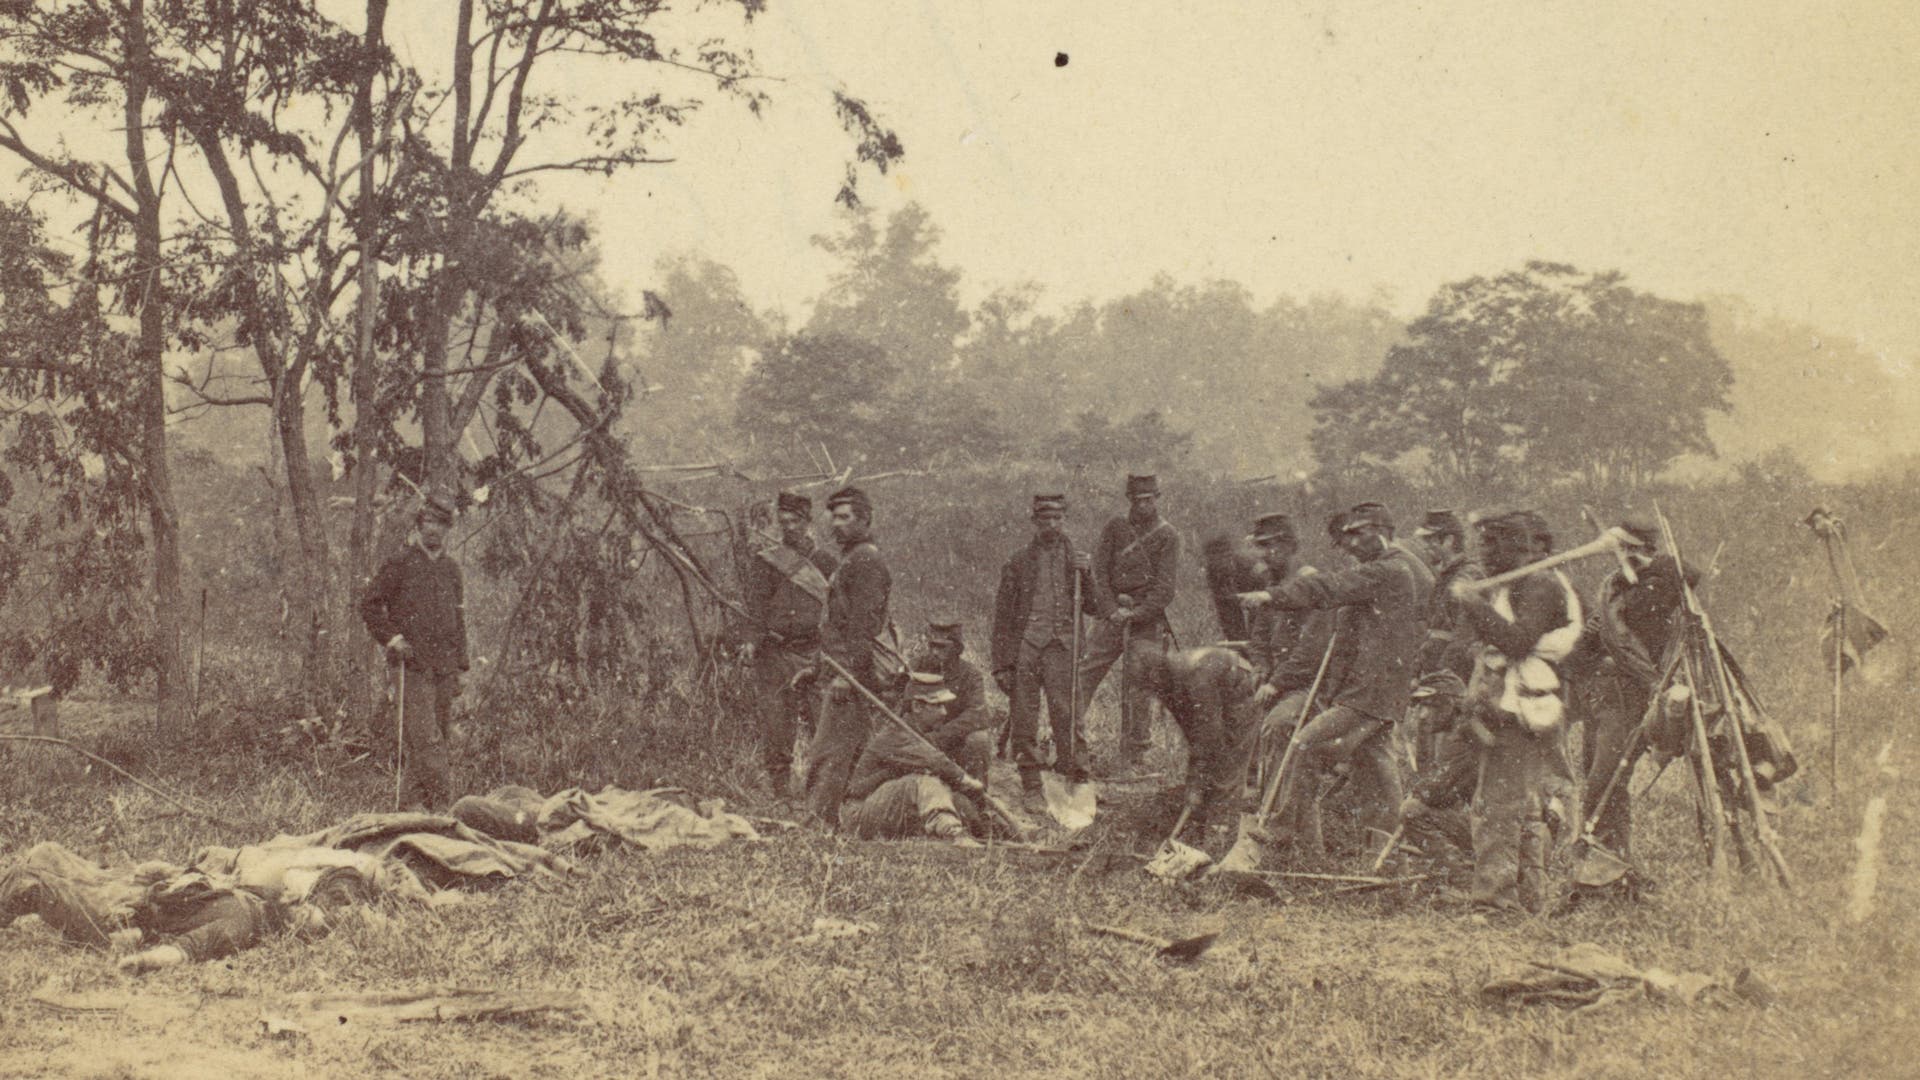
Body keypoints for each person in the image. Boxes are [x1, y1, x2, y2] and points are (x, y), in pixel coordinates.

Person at [1239, 502, 1430, 857]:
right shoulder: (1380, 571)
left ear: (1384, 532)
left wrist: (1271, 596)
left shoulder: (1389, 571)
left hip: (1369, 692)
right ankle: (1389, 858)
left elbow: (1328, 587)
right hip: (1372, 691)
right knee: (1378, 774)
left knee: (1303, 743)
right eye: (1348, 536)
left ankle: (1280, 829)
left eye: (1360, 533)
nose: (1351, 543)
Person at [1450, 510, 1584, 916]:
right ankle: (1529, 898)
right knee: (1521, 808)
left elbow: (1518, 642)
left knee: (1500, 808)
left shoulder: (1541, 584)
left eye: (1493, 544)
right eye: (1481, 544)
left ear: (1519, 546)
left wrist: (1475, 605)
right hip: (1510, 703)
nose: (1484, 554)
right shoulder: (1516, 584)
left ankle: (1495, 902)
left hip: (1525, 707)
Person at [1569, 518, 1697, 869]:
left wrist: (1639, 560)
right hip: (1601, 695)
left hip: (1629, 698)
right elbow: (1581, 652)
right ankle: (1616, 864)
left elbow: (1686, 572)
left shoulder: (1658, 586)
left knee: (1604, 783)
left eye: (1622, 549)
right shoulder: (1616, 589)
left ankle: (1604, 866)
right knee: (1600, 782)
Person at [359, 491, 468, 810]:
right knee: (427, 741)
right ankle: (444, 810)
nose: (434, 530)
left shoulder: (451, 570)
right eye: (429, 522)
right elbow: (368, 605)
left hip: (444, 668)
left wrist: (461, 666)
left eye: (441, 525)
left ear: (449, 530)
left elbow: (458, 618)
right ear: (419, 525)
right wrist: (393, 639)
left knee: (438, 740)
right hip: (411, 667)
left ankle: (409, 809)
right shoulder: (401, 563)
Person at [990, 494, 1096, 807]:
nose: (1051, 525)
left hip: (1063, 647)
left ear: (1064, 519)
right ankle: (1032, 783)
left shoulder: (1077, 560)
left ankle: (1074, 776)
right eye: (1045, 519)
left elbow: (1095, 606)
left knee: (1068, 713)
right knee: (1024, 715)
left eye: (1057, 518)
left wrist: (1087, 575)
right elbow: (1003, 618)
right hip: (1027, 647)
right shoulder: (1018, 561)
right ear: (1035, 522)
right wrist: (1001, 663)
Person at [1077, 474, 1181, 774]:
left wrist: (1135, 615)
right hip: (1111, 615)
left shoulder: (1168, 536)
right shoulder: (1115, 527)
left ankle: (1134, 756)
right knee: (1085, 673)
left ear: (1157, 498)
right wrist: (1110, 610)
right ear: (1130, 500)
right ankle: (1068, 741)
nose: (1144, 505)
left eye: (1149, 499)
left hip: (1146, 620)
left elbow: (1165, 589)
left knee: (1140, 685)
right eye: (1138, 499)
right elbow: (1099, 571)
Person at [805, 486, 895, 827]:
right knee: (849, 748)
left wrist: (847, 675)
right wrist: (817, 669)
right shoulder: (852, 559)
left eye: (845, 517)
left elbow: (863, 628)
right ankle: (848, 817)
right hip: (841, 669)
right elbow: (834, 626)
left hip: (852, 673)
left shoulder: (866, 560)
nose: (835, 525)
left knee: (829, 750)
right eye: (833, 517)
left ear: (865, 520)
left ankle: (819, 820)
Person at [741, 491, 838, 791]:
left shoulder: (825, 562)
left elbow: (838, 611)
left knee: (822, 724)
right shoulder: (768, 562)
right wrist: (750, 642)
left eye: (795, 521)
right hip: (775, 652)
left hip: (814, 653)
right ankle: (781, 790)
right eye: (783, 523)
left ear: (808, 522)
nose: (789, 528)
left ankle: (820, 790)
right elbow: (755, 607)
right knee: (776, 724)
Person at [1243, 513, 1340, 793]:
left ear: (1286, 546)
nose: (1262, 555)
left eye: (1268, 547)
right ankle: (1248, 794)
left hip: (1309, 687)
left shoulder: (1313, 584)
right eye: (1259, 547)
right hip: (1277, 682)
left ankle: (1278, 804)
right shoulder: (1272, 587)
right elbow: (1258, 636)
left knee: (1278, 725)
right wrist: (1260, 667)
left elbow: (1311, 652)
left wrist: (1275, 684)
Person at [1127, 641, 1260, 844]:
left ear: (1155, 676)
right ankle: (1198, 824)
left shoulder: (1197, 678)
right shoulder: (1167, 683)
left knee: (1228, 766)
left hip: (1240, 690)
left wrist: (1197, 781)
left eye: (1149, 687)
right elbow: (1192, 733)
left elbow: (1210, 735)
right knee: (1206, 765)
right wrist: (1194, 779)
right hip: (1217, 690)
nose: (1151, 694)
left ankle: (1220, 836)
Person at [840, 673, 989, 842]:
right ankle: (953, 834)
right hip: (859, 815)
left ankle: (991, 832)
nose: (944, 712)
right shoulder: (896, 735)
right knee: (924, 782)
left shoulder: (920, 735)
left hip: (887, 810)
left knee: (958, 799)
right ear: (917, 706)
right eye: (938, 705)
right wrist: (966, 779)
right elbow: (935, 761)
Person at [909, 620, 995, 783]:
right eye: (932, 645)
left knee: (978, 740)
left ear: (956, 648)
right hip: (920, 740)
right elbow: (904, 706)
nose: (935, 651)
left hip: (953, 742)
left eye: (942, 647)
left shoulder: (971, 674)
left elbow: (977, 715)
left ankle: (975, 799)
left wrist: (940, 737)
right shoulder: (918, 665)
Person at [1412, 509, 1484, 681]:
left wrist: (1444, 674)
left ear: (1449, 541)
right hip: (1435, 665)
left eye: (1431, 540)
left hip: (1455, 672)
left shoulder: (1467, 575)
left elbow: (1463, 635)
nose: (1426, 546)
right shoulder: (1446, 574)